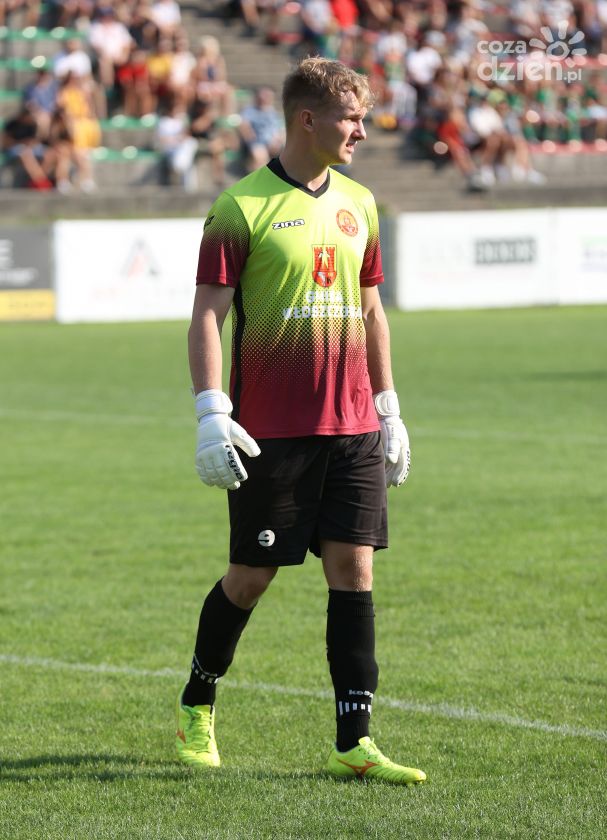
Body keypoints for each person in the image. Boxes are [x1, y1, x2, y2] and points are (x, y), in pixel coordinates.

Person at [176, 57, 426, 786]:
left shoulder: (361, 203)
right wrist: (210, 411)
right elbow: (207, 315)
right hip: (272, 431)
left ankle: (354, 740)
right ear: (307, 120)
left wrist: (388, 407)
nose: (362, 131)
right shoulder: (240, 207)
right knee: (251, 577)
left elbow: (371, 309)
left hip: (353, 425)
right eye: (351, 118)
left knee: (354, 571)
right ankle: (197, 701)